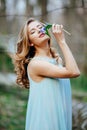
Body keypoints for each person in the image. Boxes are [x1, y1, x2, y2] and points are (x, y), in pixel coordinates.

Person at [12, 17, 80, 130]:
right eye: (33, 32)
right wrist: (62, 41)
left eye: (40, 27)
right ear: (30, 42)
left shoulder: (57, 60)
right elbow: (74, 72)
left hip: (60, 121)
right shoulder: (36, 64)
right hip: (45, 124)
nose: (39, 30)